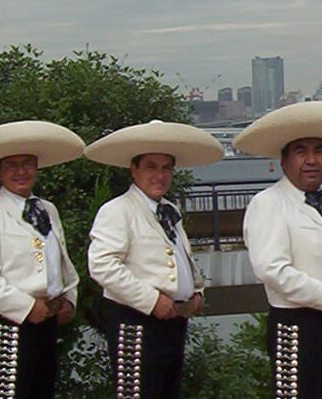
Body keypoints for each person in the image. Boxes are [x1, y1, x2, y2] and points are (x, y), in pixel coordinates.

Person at [233, 101, 322, 399]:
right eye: (301, 151)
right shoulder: (268, 203)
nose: (311, 160)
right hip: (296, 327)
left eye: (319, 151)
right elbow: (271, 269)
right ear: (284, 161)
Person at [85, 120, 223, 398]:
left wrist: (197, 290)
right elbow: (102, 267)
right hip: (136, 322)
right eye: (151, 166)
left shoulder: (169, 210)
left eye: (166, 168)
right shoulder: (117, 210)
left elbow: (182, 256)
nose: (159, 175)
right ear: (133, 171)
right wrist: (151, 301)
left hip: (173, 321)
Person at [0, 120, 85, 399]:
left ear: (37, 167)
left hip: (49, 321)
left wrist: (69, 297)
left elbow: (61, 261)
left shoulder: (48, 209)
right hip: (11, 323)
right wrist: (25, 307)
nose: (20, 172)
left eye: (27, 164)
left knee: (43, 391)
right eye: (11, 165)